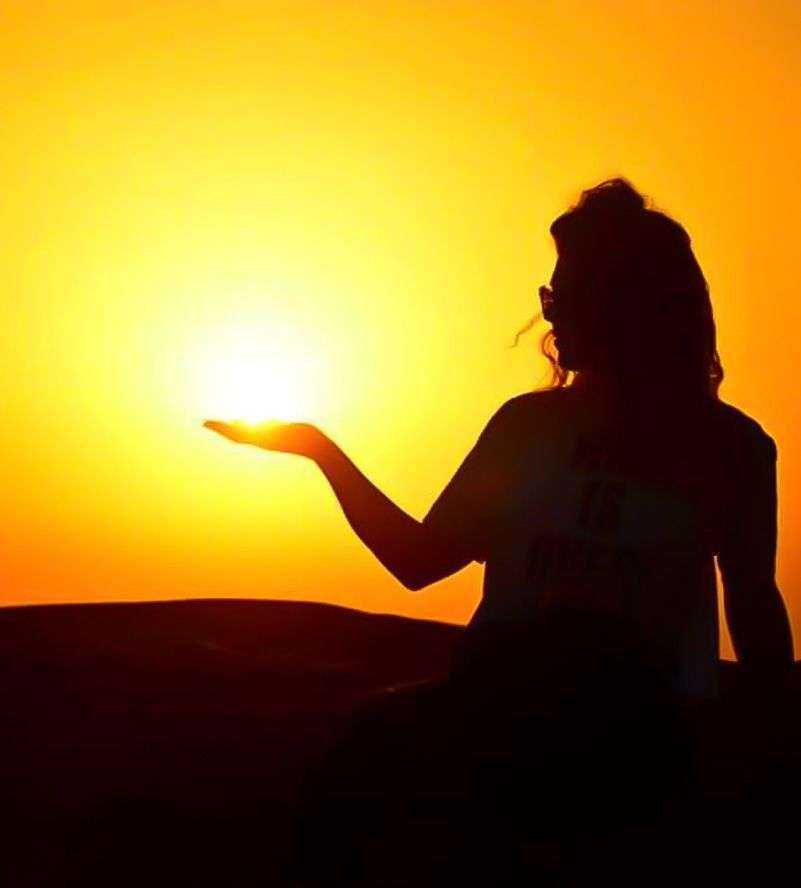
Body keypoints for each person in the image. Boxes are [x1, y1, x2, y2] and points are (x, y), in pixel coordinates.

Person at [204, 177, 794, 882]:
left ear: (626, 307)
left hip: (637, 739)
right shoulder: (526, 429)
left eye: (564, 294)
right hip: (493, 713)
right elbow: (419, 561)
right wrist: (318, 450)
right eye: (550, 296)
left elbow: (754, 609)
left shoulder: (728, 447)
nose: (551, 314)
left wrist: (765, 747)